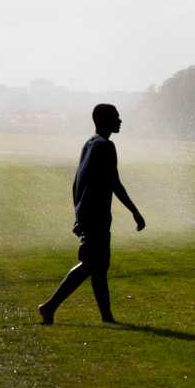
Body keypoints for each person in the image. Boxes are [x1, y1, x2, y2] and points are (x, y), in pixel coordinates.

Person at [38, 104, 145, 325]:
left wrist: (78, 213)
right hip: (96, 215)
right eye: (116, 117)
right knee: (90, 264)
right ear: (104, 120)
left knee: (99, 267)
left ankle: (107, 317)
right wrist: (135, 212)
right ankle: (49, 306)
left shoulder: (89, 144)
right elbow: (115, 183)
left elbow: (77, 182)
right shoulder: (106, 146)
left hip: (89, 213)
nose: (120, 121)